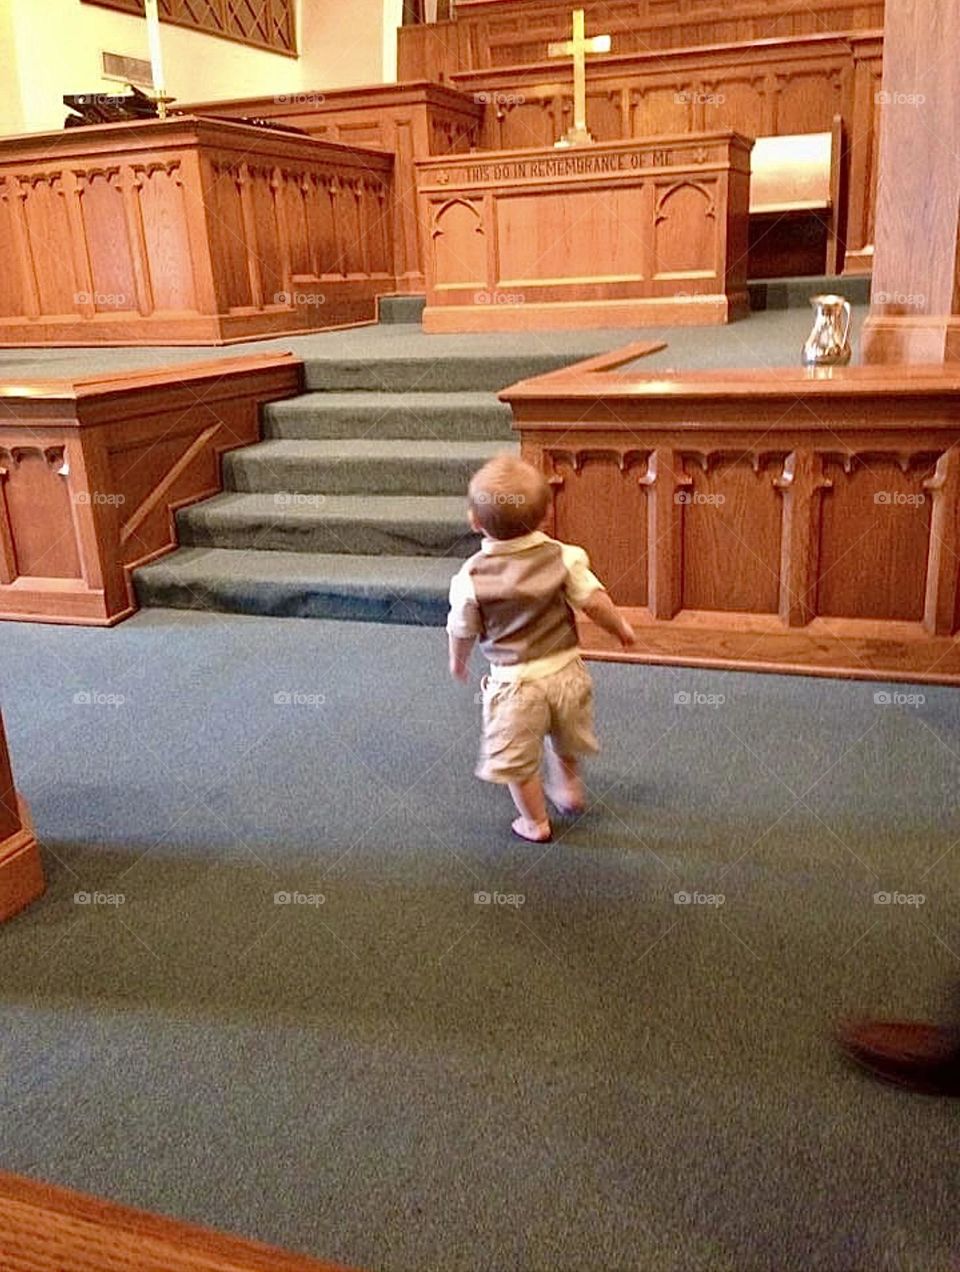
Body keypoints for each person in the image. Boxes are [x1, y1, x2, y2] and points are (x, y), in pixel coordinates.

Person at [447, 453, 636, 843]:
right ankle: (568, 789)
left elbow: (461, 628)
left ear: (475, 521)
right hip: (567, 672)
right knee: (564, 736)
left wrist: (458, 660)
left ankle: (534, 821)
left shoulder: (471, 576)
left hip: (515, 686)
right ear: (546, 514)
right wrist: (620, 628)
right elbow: (594, 601)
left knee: (518, 761)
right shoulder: (563, 556)